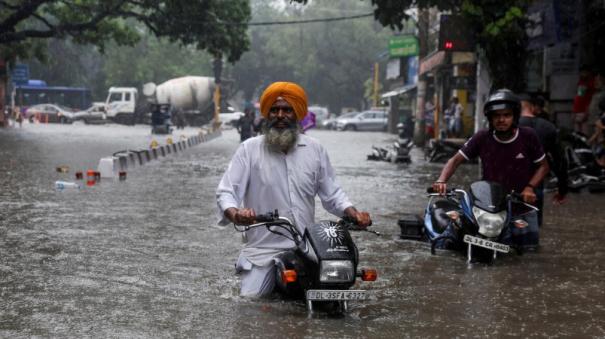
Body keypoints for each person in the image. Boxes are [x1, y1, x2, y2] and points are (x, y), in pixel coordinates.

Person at [216, 81, 371, 298]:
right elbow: (226, 192)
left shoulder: (315, 150)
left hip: (309, 248)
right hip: (264, 251)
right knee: (251, 301)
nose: (280, 115)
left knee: (339, 289)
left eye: (287, 109)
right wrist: (236, 213)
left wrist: (354, 213)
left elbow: (333, 193)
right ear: (266, 114)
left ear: (297, 113)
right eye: (274, 109)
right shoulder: (249, 150)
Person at [432, 89, 550, 251]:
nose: (501, 120)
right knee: (476, 251)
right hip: (490, 210)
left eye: (506, 115)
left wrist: (530, 188)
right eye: (497, 116)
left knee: (529, 256)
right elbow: (455, 160)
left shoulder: (528, 136)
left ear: (514, 116)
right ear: (490, 118)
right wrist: (441, 180)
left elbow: (544, 166)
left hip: (521, 207)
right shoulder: (482, 137)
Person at [519, 94, 568, 226]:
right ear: (533, 107)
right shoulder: (548, 127)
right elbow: (560, 160)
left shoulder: (508, 126)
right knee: (534, 228)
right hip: (536, 184)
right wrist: (562, 189)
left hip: (510, 183)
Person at [572, 66, 596, 135]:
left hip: (584, 112)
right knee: (576, 135)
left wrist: (586, 113)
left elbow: (590, 100)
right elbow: (578, 97)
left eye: (584, 72)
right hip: (577, 111)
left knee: (584, 135)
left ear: (588, 73)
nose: (582, 74)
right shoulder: (580, 82)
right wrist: (574, 112)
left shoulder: (591, 83)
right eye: (581, 72)